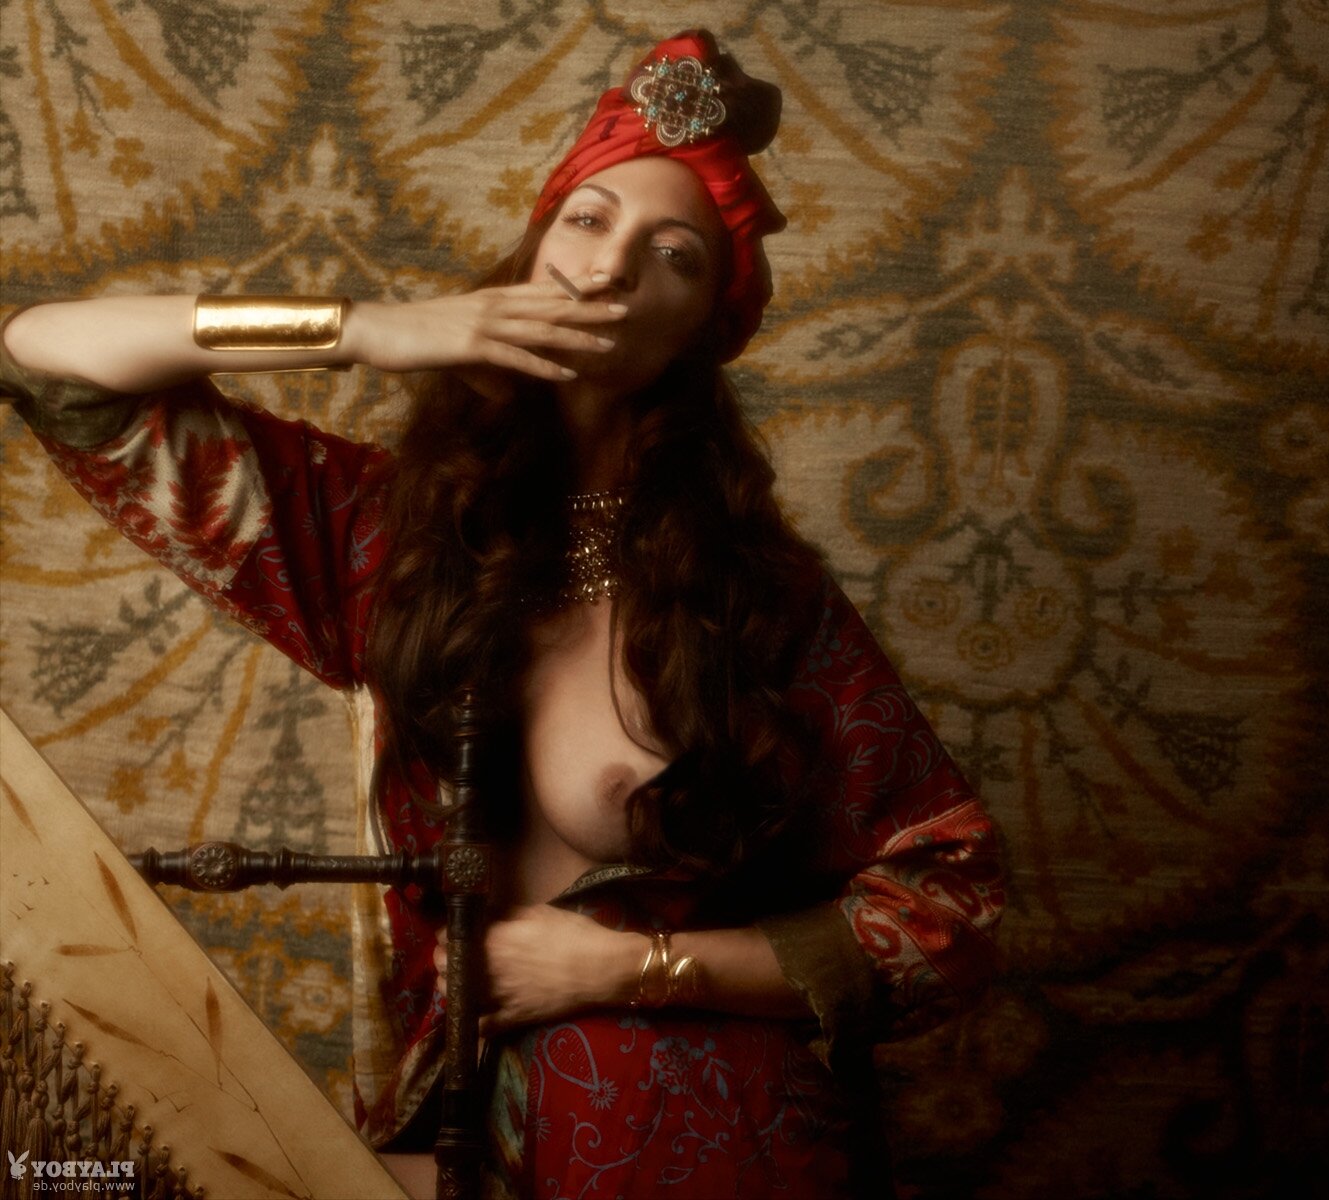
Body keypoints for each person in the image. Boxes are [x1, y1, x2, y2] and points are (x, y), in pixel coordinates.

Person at [0, 29, 1004, 1199]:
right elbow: (46, 358)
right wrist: (372, 328)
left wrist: (640, 968)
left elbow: (952, 899)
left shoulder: (752, 596)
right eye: (586, 218)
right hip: (461, 1121)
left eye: (673, 255)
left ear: (705, 328)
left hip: (696, 1126)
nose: (609, 266)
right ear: (534, 248)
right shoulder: (389, 536)